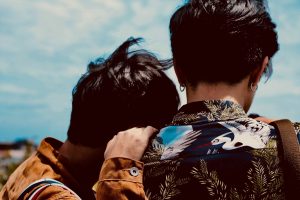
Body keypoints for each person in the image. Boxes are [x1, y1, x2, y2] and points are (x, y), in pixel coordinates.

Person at [97, 0, 300, 199]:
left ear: (178, 71)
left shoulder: (125, 161)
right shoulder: (292, 147)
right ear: (259, 71)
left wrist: (117, 172)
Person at [0, 37, 179, 199]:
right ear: (128, 138)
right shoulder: (54, 195)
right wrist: (121, 171)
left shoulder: (42, 170)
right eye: (157, 140)